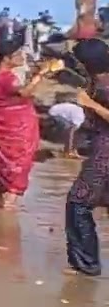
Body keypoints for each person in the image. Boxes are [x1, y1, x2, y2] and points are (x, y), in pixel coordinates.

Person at [0, 36, 43, 209]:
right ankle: (5, 227)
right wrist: (41, 75)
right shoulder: (7, 78)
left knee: (2, 170)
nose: (22, 57)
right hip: (17, 133)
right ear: (7, 58)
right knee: (17, 171)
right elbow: (24, 92)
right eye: (18, 54)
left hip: (0, 133)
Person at [65, 38, 109, 276]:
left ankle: (86, 263)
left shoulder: (104, 85)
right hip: (100, 149)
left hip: (105, 154)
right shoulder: (97, 81)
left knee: (78, 202)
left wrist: (89, 103)